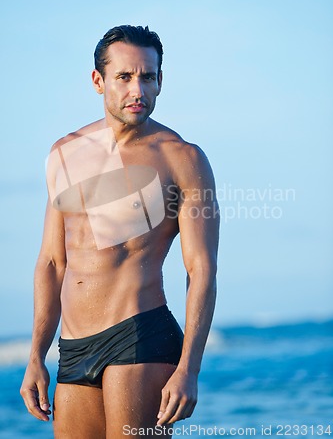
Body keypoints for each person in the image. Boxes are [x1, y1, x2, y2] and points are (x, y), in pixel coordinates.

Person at [20, 25, 219, 438]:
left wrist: (189, 368)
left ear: (160, 80)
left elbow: (201, 269)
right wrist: (36, 355)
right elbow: (53, 262)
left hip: (140, 336)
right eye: (125, 77)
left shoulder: (182, 158)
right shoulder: (65, 153)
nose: (138, 90)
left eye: (148, 77)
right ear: (98, 81)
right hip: (73, 348)